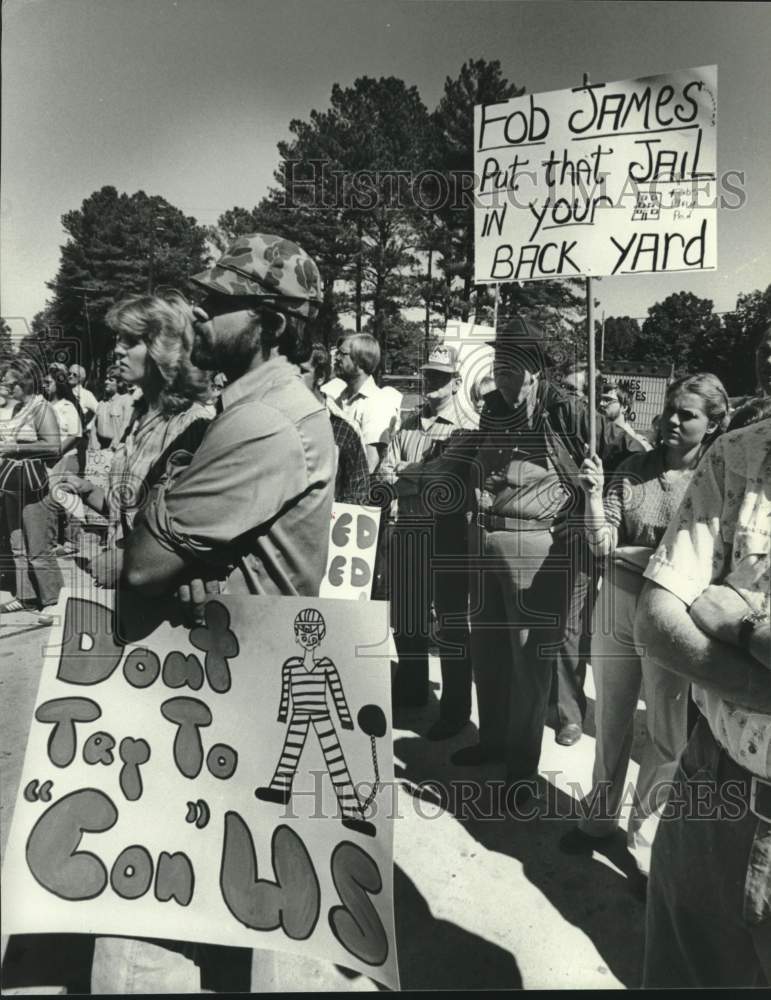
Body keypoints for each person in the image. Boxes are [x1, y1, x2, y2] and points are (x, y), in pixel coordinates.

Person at [446, 316, 642, 797]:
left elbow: (632, 453)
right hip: (487, 543)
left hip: (538, 548)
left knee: (530, 663)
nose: (499, 373)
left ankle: (520, 768)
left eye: (509, 366)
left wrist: (597, 496)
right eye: (496, 362)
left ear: (534, 368)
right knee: (487, 653)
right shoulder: (493, 407)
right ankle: (490, 742)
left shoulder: (569, 410)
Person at [560, 373, 730, 878]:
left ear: (714, 424)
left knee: (665, 730)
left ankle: (646, 842)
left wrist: (649, 558)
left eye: (689, 415)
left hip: (677, 612)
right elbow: (601, 545)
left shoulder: (717, 478)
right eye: (670, 411)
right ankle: (598, 819)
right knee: (611, 716)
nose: (673, 421)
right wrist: (593, 497)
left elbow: (715, 556)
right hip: (617, 598)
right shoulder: (632, 469)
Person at [634, 416, 771, 987]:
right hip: (715, 791)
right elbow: (659, 619)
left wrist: (740, 624)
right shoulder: (743, 453)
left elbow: (702, 610)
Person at [59, 291, 213, 588]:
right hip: (128, 594)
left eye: (131, 341)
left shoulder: (192, 424)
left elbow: (189, 532)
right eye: (119, 339)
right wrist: (87, 490)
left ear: (164, 347)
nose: (118, 350)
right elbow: (129, 511)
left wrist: (124, 557)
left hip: (160, 601)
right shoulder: (136, 418)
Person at [379, 343, 475, 739]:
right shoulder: (407, 425)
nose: (431, 382)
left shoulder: (466, 428)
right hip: (408, 531)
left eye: (440, 376)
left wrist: (407, 474)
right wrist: (414, 475)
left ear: (455, 382)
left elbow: (444, 480)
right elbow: (384, 477)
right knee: (407, 618)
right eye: (428, 374)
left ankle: (454, 711)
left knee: (451, 624)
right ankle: (413, 687)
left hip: (447, 533)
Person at [0, 365, 63, 620]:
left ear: (23, 383)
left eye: (7, 381)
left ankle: (53, 599)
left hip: (34, 483)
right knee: (18, 543)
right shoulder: (16, 408)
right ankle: (26, 596)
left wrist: (13, 447)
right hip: (13, 481)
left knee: (38, 544)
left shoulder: (42, 408)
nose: (4, 385)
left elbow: (54, 446)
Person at [299, 342, 370, 504]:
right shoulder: (275, 423)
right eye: (290, 372)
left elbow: (358, 492)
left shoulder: (344, 429)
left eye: (302, 372)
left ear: (321, 377)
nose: (294, 379)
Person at [332, 333, 396, 473]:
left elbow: (369, 464)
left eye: (342, 354)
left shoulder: (377, 403)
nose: (336, 358)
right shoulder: (340, 398)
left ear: (361, 361)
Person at [598, 379, 653, 451]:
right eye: (600, 400)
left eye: (608, 400)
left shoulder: (639, 444)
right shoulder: (596, 438)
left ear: (624, 407)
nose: (601, 404)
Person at [89, 366, 133, 449]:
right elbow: (94, 426)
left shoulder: (127, 400)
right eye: (106, 379)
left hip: (117, 447)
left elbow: (126, 425)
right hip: (100, 448)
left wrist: (114, 445)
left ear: (120, 383)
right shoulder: (102, 403)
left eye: (110, 380)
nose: (106, 382)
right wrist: (94, 444)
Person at [67, 364, 98, 430]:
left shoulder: (86, 394)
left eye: (74, 374)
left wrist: (88, 427)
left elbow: (99, 411)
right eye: (69, 374)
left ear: (81, 378)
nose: (70, 376)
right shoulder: (64, 391)